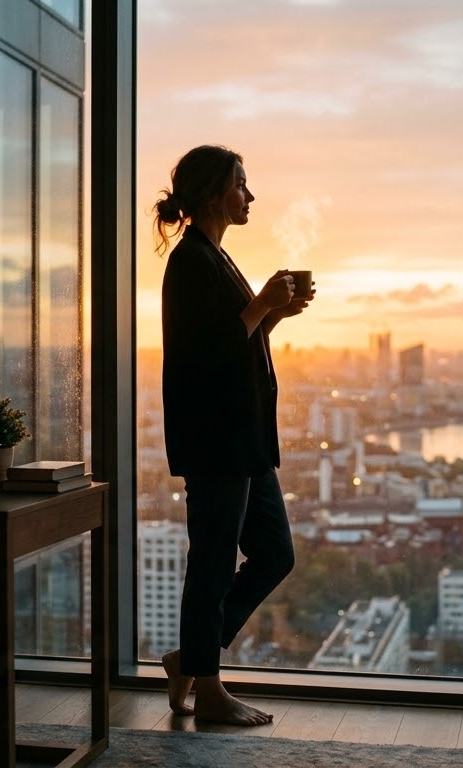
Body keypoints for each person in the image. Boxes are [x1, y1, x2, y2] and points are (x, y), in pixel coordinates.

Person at [153, 144, 314, 726]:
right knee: (214, 562)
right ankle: (210, 690)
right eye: (242, 184)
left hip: (241, 439)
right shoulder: (191, 261)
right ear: (214, 193)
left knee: (274, 553)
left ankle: (190, 658)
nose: (250, 195)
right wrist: (262, 304)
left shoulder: (216, 258)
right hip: (217, 439)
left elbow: (234, 339)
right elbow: (207, 353)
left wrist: (273, 313)